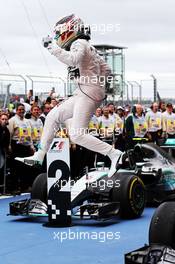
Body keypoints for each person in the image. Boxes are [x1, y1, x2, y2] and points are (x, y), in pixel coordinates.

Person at [16, 14, 122, 177]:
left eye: (59, 34)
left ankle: (114, 154)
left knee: (77, 135)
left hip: (87, 93)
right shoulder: (88, 46)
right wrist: (94, 80)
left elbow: (73, 60)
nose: (58, 37)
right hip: (86, 92)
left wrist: (52, 47)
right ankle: (39, 155)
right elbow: (107, 69)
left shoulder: (78, 43)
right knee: (53, 116)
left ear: (69, 30)